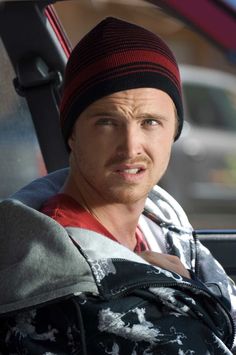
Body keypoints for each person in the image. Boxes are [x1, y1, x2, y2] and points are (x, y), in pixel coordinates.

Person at [0, 17, 236, 354]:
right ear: (72, 133)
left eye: (150, 122)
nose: (131, 146)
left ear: (174, 132)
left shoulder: (160, 219)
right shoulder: (70, 296)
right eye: (107, 122)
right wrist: (191, 292)